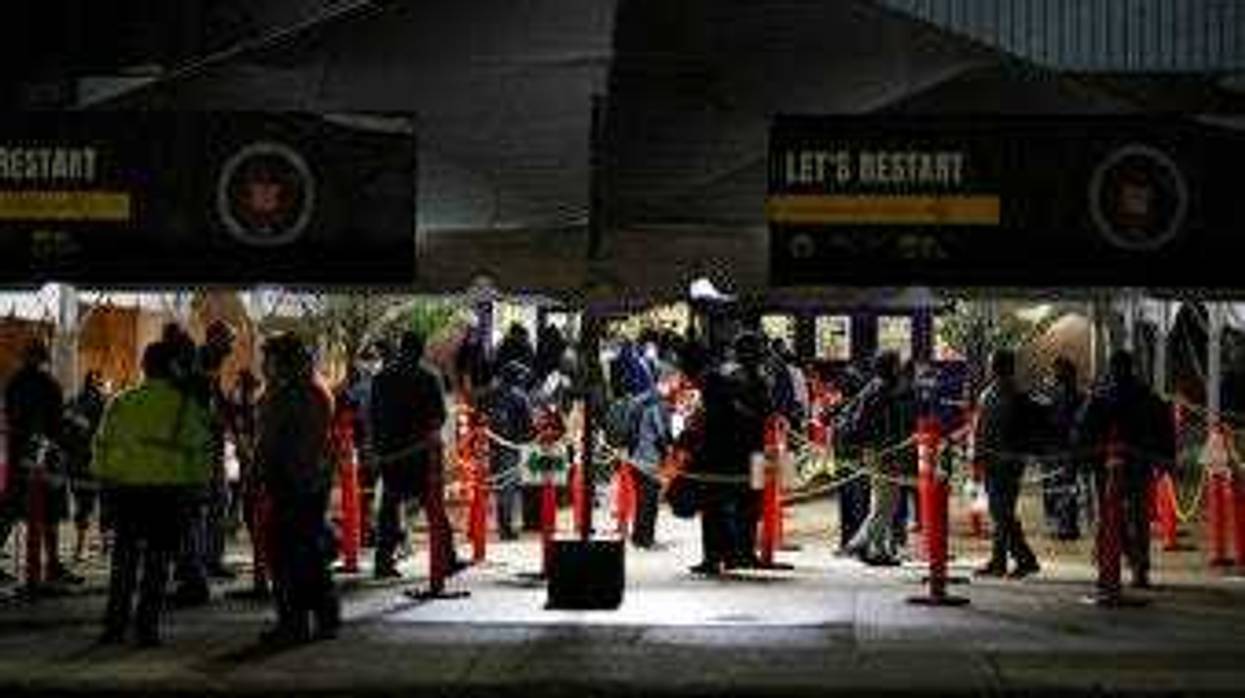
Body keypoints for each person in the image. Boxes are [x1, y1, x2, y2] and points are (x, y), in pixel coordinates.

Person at [94, 341, 214, 646]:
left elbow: (101, 449)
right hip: (168, 496)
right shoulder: (185, 406)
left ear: (144, 367)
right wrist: (199, 490)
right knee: (158, 565)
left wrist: (107, 489)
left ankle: (115, 626)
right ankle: (147, 628)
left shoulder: (120, 403)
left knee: (123, 562)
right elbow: (201, 454)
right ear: (173, 367)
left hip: (127, 494)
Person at [256, 334, 340, 644]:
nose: (265, 365)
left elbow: (278, 442)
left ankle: (294, 622)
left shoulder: (295, 394)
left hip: (295, 484)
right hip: (305, 482)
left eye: (270, 359)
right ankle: (322, 617)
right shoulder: (311, 389)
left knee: (290, 556)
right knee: (307, 555)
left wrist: (268, 475)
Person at [369, 331, 466, 580]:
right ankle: (447, 558)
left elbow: (372, 415)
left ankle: (382, 561)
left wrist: (379, 446)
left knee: (389, 509)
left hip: (390, 451)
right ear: (421, 349)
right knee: (434, 508)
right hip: (421, 452)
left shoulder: (381, 377)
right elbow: (439, 416)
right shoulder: (428, 377)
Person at [1076, 350, 1174, 590]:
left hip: (1107, 468)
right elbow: (1164, 428)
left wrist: (1083, 460)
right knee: (1138, 519)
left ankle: (1111, 564)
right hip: (1138, 465)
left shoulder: (1101, 397)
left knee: (1109, 517)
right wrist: (1165, 460)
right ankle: (1139, 568)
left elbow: (1082, 429)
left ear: (1111, 369)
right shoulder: (1147, 396)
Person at [0, 340, 79, 585]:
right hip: (44, 455)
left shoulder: (14, 383)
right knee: (49, 511)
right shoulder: (47, 385)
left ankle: (52, 566)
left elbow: (13, 417)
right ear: (43, 358)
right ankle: (51, 566)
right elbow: (54, 422)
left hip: (19, 454)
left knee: (11, 509)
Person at [837, 352, 914, 566]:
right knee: (886, 502)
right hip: (883, 451)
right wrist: (886, 445)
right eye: (897, 364)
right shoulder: (883, 389)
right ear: (891, 367)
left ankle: (875, 548)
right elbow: (879, 422)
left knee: (883, 501)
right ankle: (865, 546)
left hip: (879, 450)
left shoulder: (876, 386)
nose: (901, 367)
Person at [974, 349, 1041, 578]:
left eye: (996, 364)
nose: (993, 368)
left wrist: (1019, 452)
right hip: (992, 460)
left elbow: (1026, 431)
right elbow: (980, 427)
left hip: (1009, 461)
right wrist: (977, 454)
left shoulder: (1018, 396)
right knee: (999, 512)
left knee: (1002, 512)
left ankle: (1022, 559)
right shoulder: (987, 394)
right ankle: (1002, 560)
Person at [481, 360, 535, 540]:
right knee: (508, 487)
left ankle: (501, 525)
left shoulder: (490, 392)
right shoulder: (520, 396)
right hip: (511, 446)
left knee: (498, 486)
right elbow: (529, 424)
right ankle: (506, 528)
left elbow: (482, 414)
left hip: (491, 445)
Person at [63, 370, 109, 563]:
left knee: (83, 505)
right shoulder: (104, 403)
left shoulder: (73, 402)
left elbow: (64, 428)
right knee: (102, 504)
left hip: (76, 462)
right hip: (96, 461)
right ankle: (102, 544)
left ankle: (80, 547)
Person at [1042, 357, 1085, 541]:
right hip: (1065, 448)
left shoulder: (1055, 395)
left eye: (1055, 371)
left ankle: (1065, 526)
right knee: (1064, 487)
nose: (1053, 374)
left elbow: (1050, 420)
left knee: (1060, 487)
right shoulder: (1078, 395)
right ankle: (1066, 525)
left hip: (1058, 448)